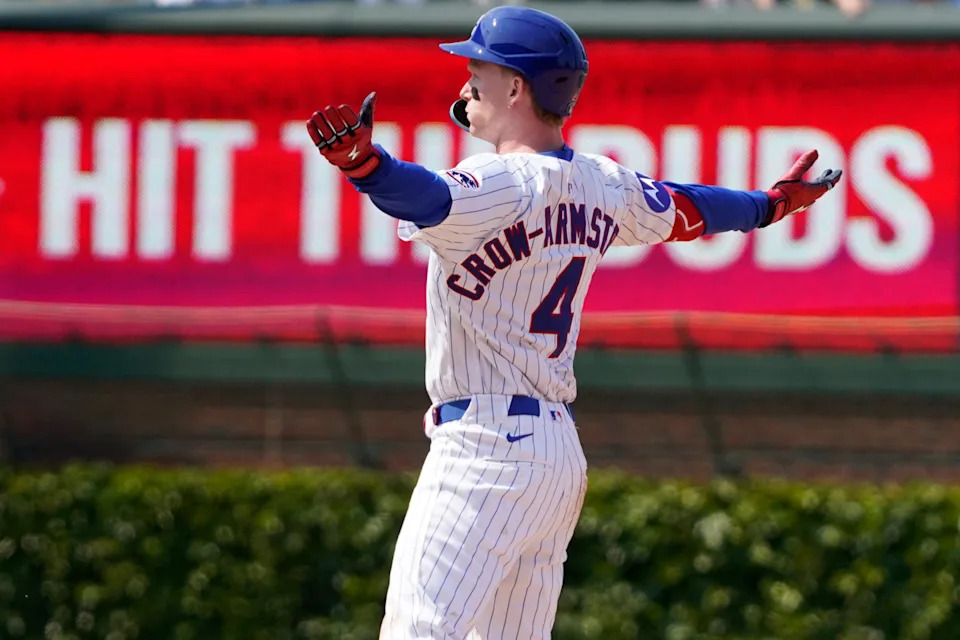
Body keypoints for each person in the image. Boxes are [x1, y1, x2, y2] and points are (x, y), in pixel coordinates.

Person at [306, 5, 841, 638]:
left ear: (514, 86)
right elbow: (689, 208)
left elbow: (428, 196)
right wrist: (768, 205)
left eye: (477, 67)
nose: (465, 82)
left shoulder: (496, 180)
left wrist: (366, 167)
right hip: (555, 455)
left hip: (484, 447)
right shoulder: (602, 183)